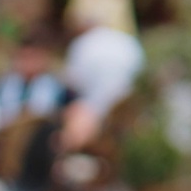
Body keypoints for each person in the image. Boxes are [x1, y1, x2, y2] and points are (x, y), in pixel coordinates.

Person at [59, 13, 143, 152]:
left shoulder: (82, 43)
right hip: (125, 106)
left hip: (96, 109)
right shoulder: (128, 42)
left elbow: (72, 83)